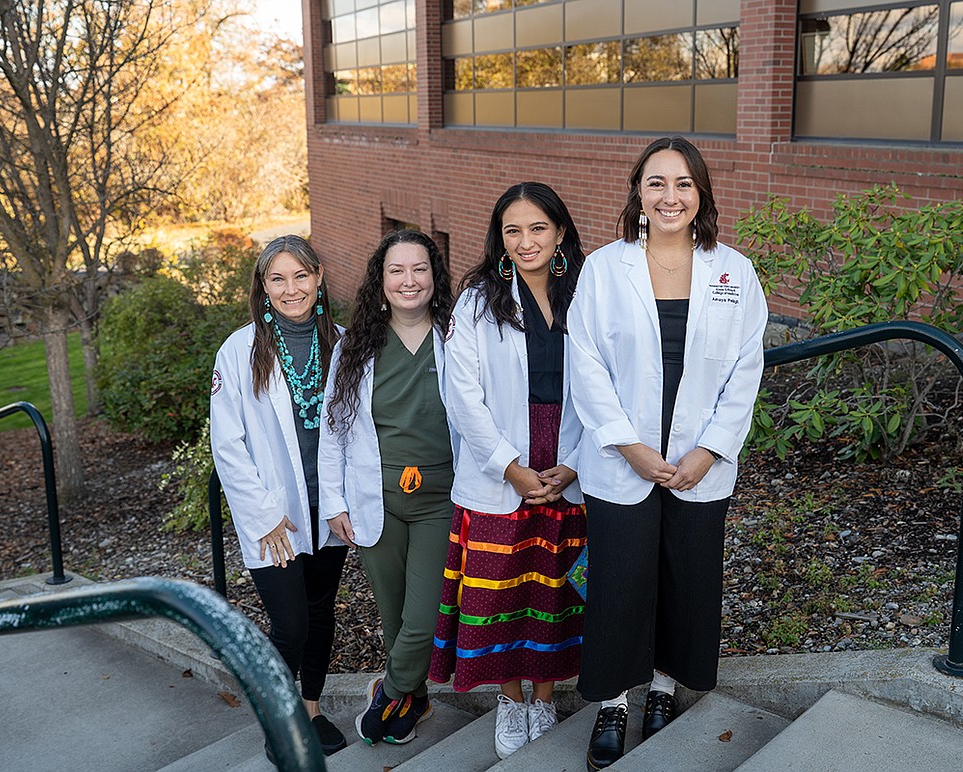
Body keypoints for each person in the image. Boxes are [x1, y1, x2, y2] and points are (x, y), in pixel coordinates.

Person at [567, 137, 768, 770]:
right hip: (621, 459)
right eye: (656, 184)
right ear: (638, 194)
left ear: (701, 192)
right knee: (621, 583)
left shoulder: (733, 270)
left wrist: (709, 451)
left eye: (683, 184)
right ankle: (615, 704)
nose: (670, 196)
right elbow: (587, 363)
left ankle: (659, 691)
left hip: (696, 466)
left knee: (685, 579)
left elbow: (746, 367)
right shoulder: (604, 268)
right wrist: (628, 446)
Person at [428, 182, 588, 759]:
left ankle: (544, 695)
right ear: (499, 237)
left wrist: (573, 464)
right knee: (497, 590)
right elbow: (462, 393)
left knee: (553, 588)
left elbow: (610, 380)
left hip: (570, 458)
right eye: (513, 230)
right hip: (501, 463)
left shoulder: (586, 290)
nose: (526, 242)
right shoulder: (477, 298)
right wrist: (511, 468)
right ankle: (511, 696)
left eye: (538, 228)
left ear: (561, 232)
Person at [209, 234, 350, 759]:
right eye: (278, 279)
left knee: (320, 614)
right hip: (275, 518)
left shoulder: (341, 340)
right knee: (289, 625)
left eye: (300, 276)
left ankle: (310, 709)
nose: (291, 289)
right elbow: (227, 445)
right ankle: (278, 716)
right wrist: (265, 516)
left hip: (328, 510)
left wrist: (345, 503)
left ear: (318, 279)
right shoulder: (240, 350)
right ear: (263, 288)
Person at [318, 229, 456, 747]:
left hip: (440, 498)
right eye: (396, 270)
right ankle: (413, 701)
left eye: (419, 269)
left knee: (423, 614)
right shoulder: (356, 347)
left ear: (433, 277)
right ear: (381, 282)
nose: (408, 280)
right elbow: (334, 430)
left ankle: (387, 693)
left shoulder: (457, 334)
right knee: (395, 615)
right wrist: (334, 502)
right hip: (375, 498)